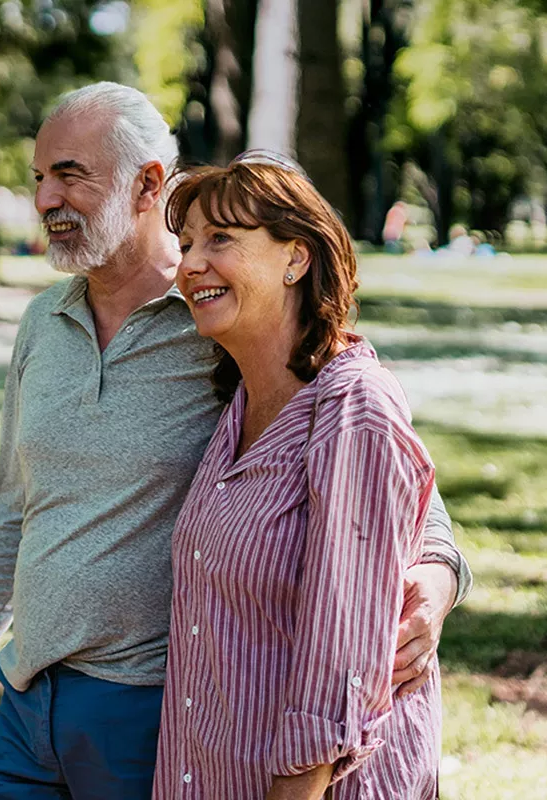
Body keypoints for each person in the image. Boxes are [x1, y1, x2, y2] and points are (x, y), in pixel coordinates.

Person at [0, 84, 471, 798]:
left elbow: (382, 469)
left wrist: (437, 575)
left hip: (151, 705)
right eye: (38, 178)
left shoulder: (224, 320)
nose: (45, 200)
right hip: (29, 694)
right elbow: (13, 503)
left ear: (148, 182)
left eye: (69, 174)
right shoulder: (42, 325)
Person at [153, 153, 445, 799]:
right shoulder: (237, 407)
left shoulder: (354, 408)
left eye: (221, 238)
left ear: (296, 258)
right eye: (185, 244)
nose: (191, 263)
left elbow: (341, 665)